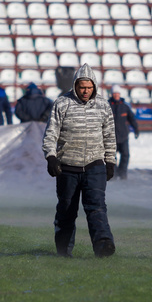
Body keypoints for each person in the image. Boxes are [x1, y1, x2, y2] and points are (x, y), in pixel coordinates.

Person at [42, 63, 117, 258]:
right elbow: (51, 133)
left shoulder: (103, 105)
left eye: (89, 87)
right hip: (67, 167)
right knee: (67, 210)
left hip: (95, 165)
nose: (85, 91)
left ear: (95, 87)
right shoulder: (61, 103)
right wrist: (51, 157)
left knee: (97, 207)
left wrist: (110, 161)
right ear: (75, 86)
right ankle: (63, 250)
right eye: (82, 87)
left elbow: (109, 136)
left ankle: (103, 245)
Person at [108, 85, 139, 180]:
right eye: (114, 93)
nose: (116, 95)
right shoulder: (107, 106)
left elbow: (132, 119)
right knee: (112, 158)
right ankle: (114, 174)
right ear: (112, 94)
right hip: (111, 137)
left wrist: (136, 129)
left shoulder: (125, 106)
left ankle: (122, 173)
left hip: (123, 136)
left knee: (125, 155)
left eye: (117, 93)